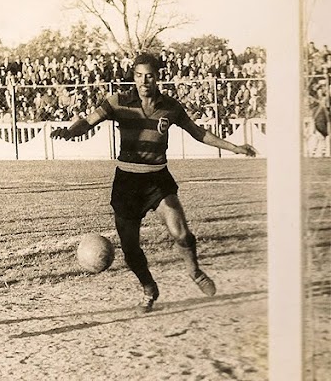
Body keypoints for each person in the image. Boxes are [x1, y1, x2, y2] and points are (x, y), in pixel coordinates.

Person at [51, 53, 257, 313]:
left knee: (181, 232)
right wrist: (70, 131)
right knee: (130, 249)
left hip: (157, 178)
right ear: (133, 77)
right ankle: (149, 288)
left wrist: (234, 147)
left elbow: (198, 132)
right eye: (138, 75)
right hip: (127, 182)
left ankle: (194, 272)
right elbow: (89, 120)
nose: (144, 81)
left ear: (158, 76)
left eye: (149, 75)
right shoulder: (119, 102)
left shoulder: (170, 107)